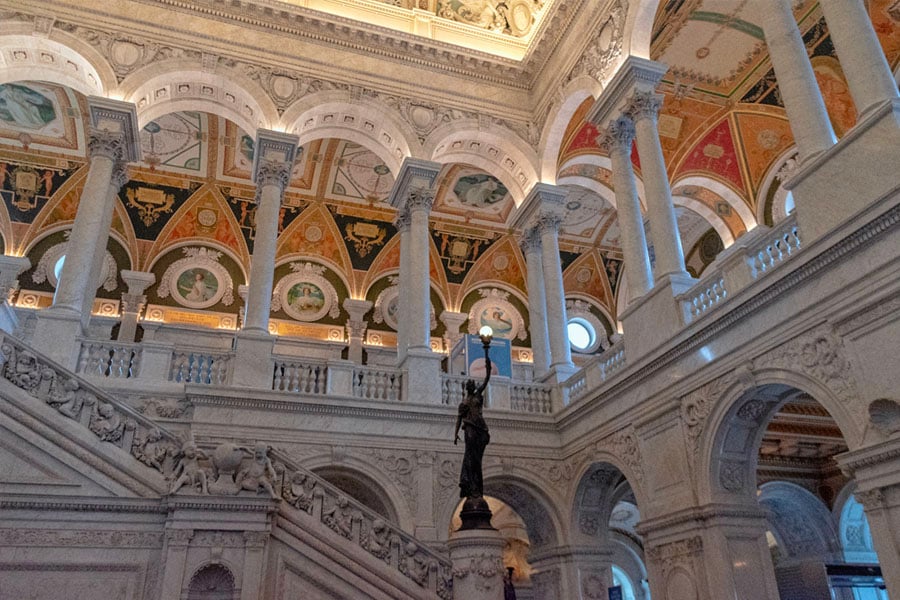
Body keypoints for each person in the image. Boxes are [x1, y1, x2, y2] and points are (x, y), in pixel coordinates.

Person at [454, 351, 491, 498]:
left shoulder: (477, 396)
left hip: (481, 428)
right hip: (469, 427)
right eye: (470, 384)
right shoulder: (463, 403)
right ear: (466, 388)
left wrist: (487, 362)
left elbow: (487, 380)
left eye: (473, 384)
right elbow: (458, 418)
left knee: (477, 458)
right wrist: (455, 434)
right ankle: (471, 484)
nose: (472, 385)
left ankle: (476, 485)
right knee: (471, 456)